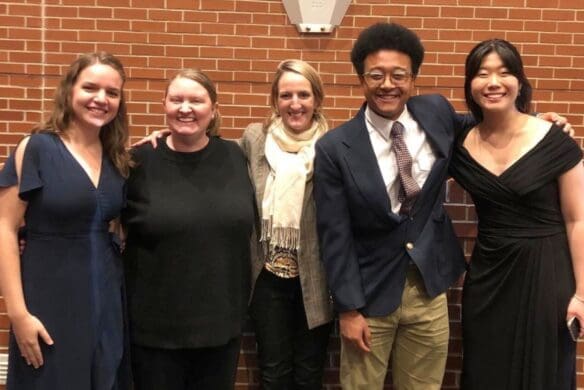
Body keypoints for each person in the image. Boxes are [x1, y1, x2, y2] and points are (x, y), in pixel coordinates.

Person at [312, 22, 570, 390]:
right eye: (377, 76)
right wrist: (349, 309)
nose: (388, 84)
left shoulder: (434, 112)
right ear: (361, 79)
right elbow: (334, 235)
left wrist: (538, 122)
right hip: (369, 296)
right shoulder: (336, 148)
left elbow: (488, 124)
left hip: (428, 290)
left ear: (413, 79)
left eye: (399, 75)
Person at [449, 38, 584, 390]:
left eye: (504, 73)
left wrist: (581, 294)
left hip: (546, 273)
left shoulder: (555, 140)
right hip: (488, 275)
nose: (493, 82)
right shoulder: (460, 144)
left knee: (543, 371)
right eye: (482, 74)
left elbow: (577, 219)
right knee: (485, 368)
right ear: (470, 85)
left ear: (519, 82)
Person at [0, 52, 131, 390]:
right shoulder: (37, 148)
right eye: (91, 88)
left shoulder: (117, 157)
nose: (101, 99)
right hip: (50, 300)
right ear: (70, 90)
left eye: (112, 92)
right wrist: (17, 314)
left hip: (105, 298)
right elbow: (5, 228)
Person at [122, 69, 255, 390]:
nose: (185, 108)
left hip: (221, 327)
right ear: (164, 105)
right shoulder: (137, 162)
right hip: (155, 332)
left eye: (196, 100)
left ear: (213, 109)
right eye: (176, 99)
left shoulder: (237, 156)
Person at [240, 59, 334, 389]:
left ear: (317, 99)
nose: (295, 104)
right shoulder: (254, 140)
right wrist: (164, 136)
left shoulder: (334, 146)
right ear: (275, 100)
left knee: (310, 373)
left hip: (317, 276)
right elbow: (212, 159)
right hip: (266, 278)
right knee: (273, 371)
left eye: (304, 95)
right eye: (286, 95)